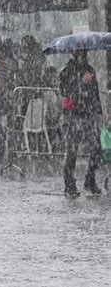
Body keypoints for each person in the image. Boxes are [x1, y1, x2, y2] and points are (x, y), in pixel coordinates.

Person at [59, 50, 103, 196]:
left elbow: (95, 93)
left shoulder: (90, 69)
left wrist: (99, 113)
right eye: (79, 51)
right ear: (73, 52)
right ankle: (69, 185)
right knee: (72, 151)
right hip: (73, 116)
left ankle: (90, 180)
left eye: (84, 51)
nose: (82, 54)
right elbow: (65, 93)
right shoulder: (66, 70)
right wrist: (81, 82)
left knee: (96, 148)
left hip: (89, 115)